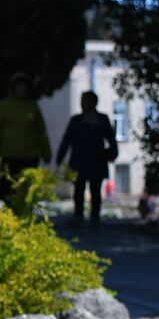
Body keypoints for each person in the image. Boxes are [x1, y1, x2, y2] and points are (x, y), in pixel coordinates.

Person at [55, 91, 118, 227]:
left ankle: (95, 217)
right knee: (79, 189)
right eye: (82, 100)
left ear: (94, 102)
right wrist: (59, 157)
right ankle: (78, 215)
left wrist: (113, 154)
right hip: (79, 160)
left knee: (95, 190)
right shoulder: (76, 120)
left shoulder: (102, 119)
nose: (83, 104)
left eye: (86, 101)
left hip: (97, 160)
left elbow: (111, 139)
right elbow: (66, 140)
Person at [0, 72, 52, 201]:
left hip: (30, 155)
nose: (21, 89)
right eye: (18, 86)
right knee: (9, 189)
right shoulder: (3, 107)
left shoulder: (33, 107)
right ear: (13, 88)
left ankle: (24, 214)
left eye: (24, 86)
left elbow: (41, 131)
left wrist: (46, 153)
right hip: (9, 155)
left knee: (27, 189)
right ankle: (11, 215)